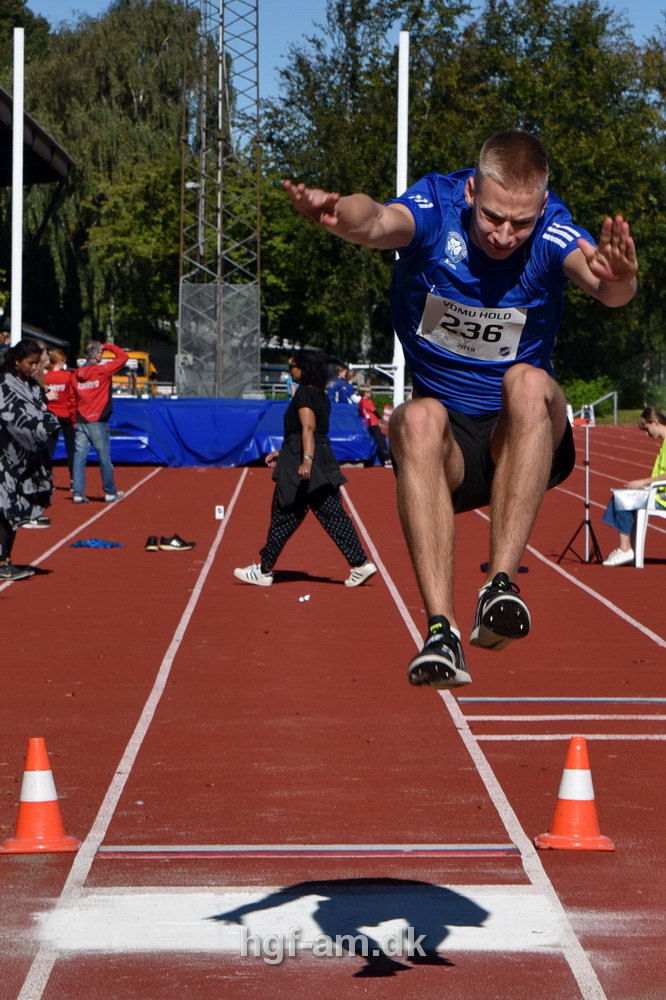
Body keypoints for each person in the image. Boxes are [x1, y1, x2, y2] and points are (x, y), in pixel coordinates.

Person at [284, 129, 637, 689]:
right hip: (449, 449)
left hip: (520, 437)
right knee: (414, 416)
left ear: (541, 207)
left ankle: (499, 585)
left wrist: (621, 281)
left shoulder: (551, 230)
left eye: (520, 223)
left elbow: (604, 285)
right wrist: (337, 212)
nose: (504, 235)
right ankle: (441, 631)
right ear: (472, 190)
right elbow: (375, 220)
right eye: (494, 217)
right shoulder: (435, 206)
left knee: (526, 381)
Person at [234, 349, 377, 587]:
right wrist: (283, 451)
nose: (290, 372)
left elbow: (308, 428)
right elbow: (310, 432)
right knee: (332, 514)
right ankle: (360, 563)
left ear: (304, 369)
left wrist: (306, 460)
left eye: (292, 367)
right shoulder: (320, 394)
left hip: (306, 462)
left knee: (284, 512)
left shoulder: (303, 395)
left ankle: (264, 569)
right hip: (317, 457)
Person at [0, 339, 60, 580]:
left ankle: (6, 559)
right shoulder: (4, 385)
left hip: (24, 461)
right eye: (31, 363)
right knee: (3, 508)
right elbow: (13, 415)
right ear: (17, 361)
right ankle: (2, 561)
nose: (35, 368)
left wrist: (47, 417)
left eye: (38, 363)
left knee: (14, 509)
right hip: (4, 456)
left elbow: (39, 408)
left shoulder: (33, 385)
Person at [601, 406, 666, 566]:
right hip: (658, 492)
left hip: (662, 498)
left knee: (623, 500)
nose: (646, 433)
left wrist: (643, 482)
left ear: (655, 422)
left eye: (647, 428)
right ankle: (629, 549)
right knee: (620, 496)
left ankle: (625, 549)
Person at [71, 340, 128, 503]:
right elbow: (123, 357)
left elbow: (72, 397)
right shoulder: (102, 370)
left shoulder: (76, 373)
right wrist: (109, 345)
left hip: (81, 418)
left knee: (79, 456)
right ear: (97, 355)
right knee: (104, 456)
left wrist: (74, 417)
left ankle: (78, 492)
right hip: (98, 419)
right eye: (101, 353)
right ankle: (109, 491)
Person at [44, 347, 76, 484]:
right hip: (67, 414)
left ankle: (47, 480)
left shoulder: (45, 378)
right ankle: (74, 480)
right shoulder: (68, 376)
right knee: (71, 448)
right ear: (61, 361)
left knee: (49, 448)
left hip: (51, 414)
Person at [359, 385, 391, 465]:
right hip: (372, 422)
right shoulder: (367, 401)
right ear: (364, 393)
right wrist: (381, 419)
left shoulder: (361, 401)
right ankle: (387, 458)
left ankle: (386, 457)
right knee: (380, 440)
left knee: (379, 439)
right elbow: (374, 411)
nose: (370, 393)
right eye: (368, 392)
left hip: (370, 422)